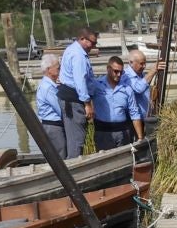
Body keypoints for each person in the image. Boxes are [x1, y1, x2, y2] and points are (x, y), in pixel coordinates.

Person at [58, 27, 98, 158]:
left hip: (69, 98)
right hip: (74, 100)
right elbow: (80, 81)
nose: (93, 46)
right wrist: (87, 104)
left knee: (74, 138)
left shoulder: (71, 50)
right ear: (82, 39)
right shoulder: (78, 55)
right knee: (77, 140)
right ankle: (74, 169)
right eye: (91, 42)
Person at [90, 54, 143, 150]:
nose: (119, 75)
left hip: (123, 132)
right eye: (116, 71)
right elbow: (84, 97)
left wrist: (140, 138)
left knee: (124, 161)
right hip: (103, 132)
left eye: (121, 72)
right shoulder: (96, 85)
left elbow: (134, 112)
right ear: (108, 69)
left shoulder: (127, 89)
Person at [32, 52, 67, 158]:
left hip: (52, 125)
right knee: (61, 154)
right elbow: (60, 109)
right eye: (58, 67)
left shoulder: (50, 85)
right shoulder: (48, 87)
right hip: (53, 126)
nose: (60, 69)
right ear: (48, 70)